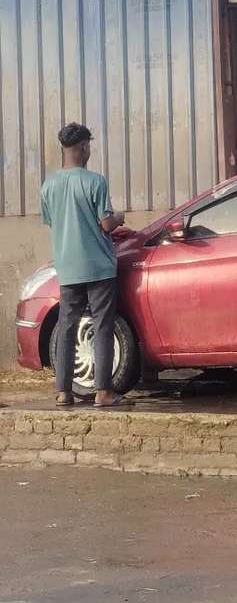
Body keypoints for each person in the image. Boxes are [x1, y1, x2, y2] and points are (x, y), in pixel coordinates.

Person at [41, 123, 126, 408]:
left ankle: (63, 392)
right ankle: (103, 392)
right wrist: (119, 217)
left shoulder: (48, 185)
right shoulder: (95, 182)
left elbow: (52, 222)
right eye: (89, 145)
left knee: (67, 327)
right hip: (99, 266)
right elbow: (105, 224)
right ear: (83, 148)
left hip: (67, 267)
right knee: (102, 325)